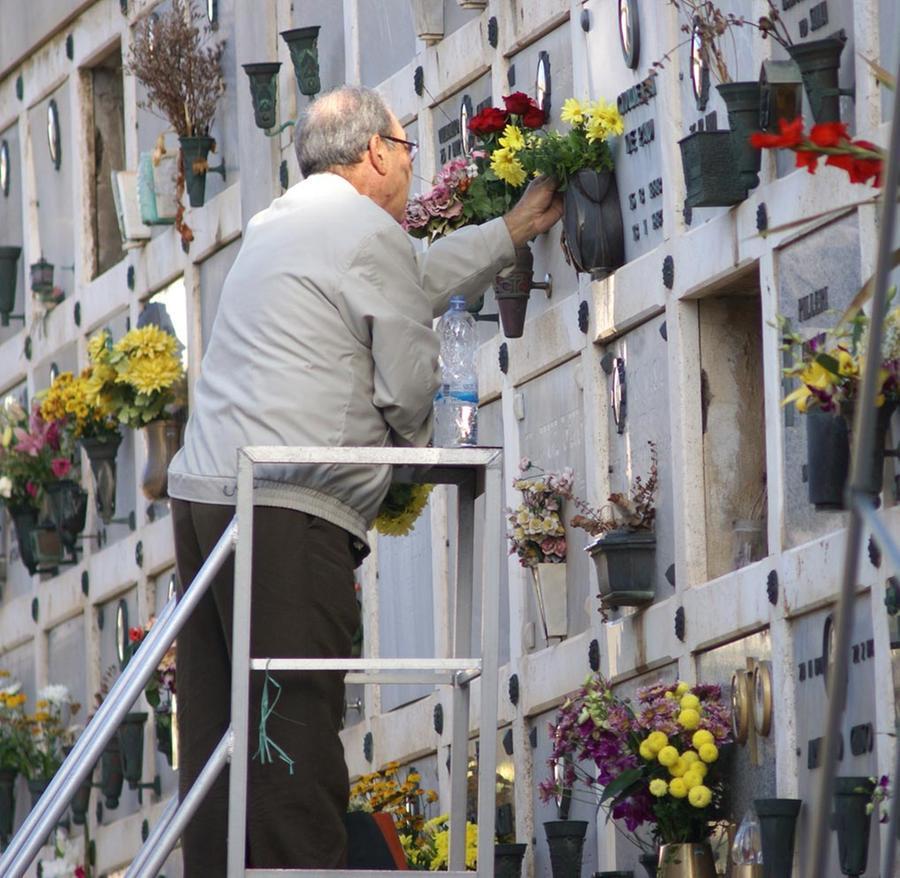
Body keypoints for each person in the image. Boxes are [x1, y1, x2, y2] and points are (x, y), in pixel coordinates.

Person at [167, 84, 562, 873]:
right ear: (377, 151)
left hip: (206, 496)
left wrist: (508, 233)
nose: (413, 167)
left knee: (220, 727)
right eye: (409, 147)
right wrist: (408, 459)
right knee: (294, 725)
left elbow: (411, 274)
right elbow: (411, 382)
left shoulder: (288, 220)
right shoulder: (365, 232)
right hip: (287, 505)